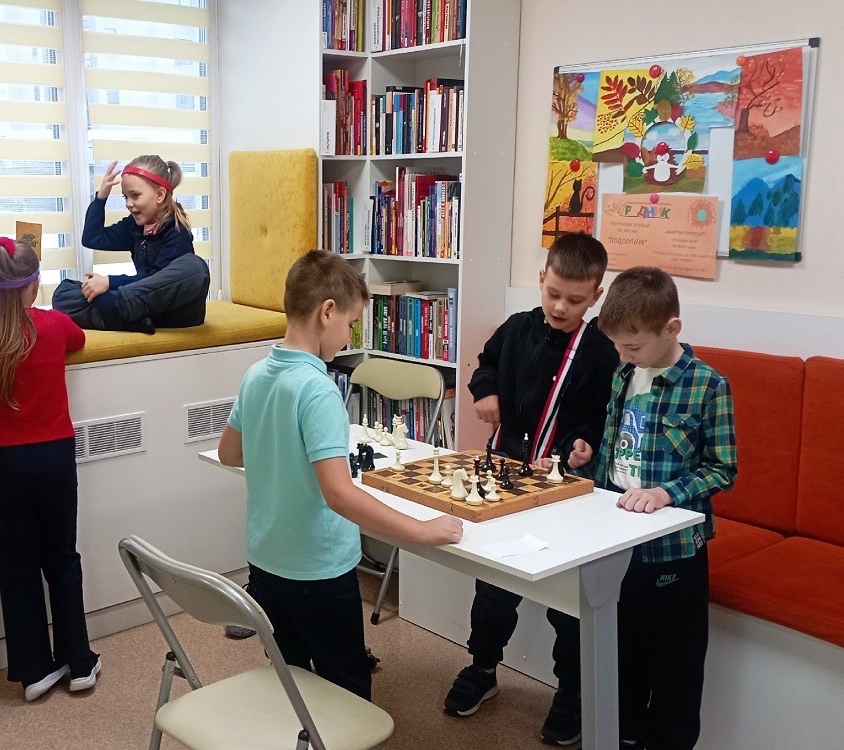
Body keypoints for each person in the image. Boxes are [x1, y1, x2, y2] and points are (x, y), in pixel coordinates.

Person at [217, 249, 464, 700]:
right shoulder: (318, 390)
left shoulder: (256, 374)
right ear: (327, 312)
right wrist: (421, 531)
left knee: (292, 677)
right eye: (351, 323)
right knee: (347, 687)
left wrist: (281, 456)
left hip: (266, 561)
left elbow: (229, 453)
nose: (349, 335)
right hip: (318, 570)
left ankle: (304, 733)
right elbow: (339, 495)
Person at [444, 232, 619, 747]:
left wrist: (580, 445)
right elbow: (486, 363)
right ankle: (482, 667)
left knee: (565, 600)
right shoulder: (518, 327)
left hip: (562, 486)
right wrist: (485, 391)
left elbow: (595, 417)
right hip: (506, 475)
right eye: (554, 293)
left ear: (596, 296)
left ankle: (572, 692)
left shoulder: (600, 352)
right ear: (541, 279)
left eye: (575, 300)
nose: (561, 307)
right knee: (493, 587)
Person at [568, 266, 737, 750]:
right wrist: (586, 461)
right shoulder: (625, 373)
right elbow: (619, 451)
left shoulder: (708, 385)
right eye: (618, 347)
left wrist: (667, 493)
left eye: (633, 347)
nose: (623, 356)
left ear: (671, 328)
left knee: (674, 668)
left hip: (674, 551)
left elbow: (722, 470)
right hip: (616, 538)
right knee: (622, 655)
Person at [0, 237, 100, 702]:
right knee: (62, 558)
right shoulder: (55, 326)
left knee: (18, 566)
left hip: (7, 463)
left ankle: (34, 670)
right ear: (35, 286)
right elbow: (79, 339)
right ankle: (79, 662)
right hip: (55, 458)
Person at [52, 155, 210, 334]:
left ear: (159, 195)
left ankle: (117, 312)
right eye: (125, 197)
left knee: (196, 266)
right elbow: (92, 238)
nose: (128, 204)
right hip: (137, 303)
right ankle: (127, 319)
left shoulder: (177, 231)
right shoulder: (134, 226)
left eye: (135, 196)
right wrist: (101, 197)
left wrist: (109, 282)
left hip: (173, 309)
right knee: (64, 292)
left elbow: (158, 283)